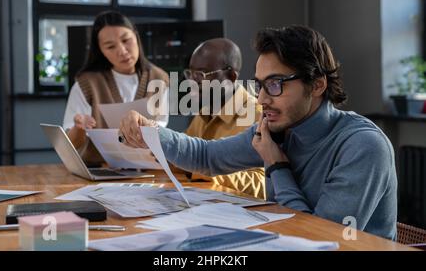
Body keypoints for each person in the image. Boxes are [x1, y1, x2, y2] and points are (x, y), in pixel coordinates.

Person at [118, 25, 398, 240]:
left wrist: (277, 165)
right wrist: (152, 130)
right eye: (261, 85)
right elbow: (207, 156)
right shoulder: (277, 129)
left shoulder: (363, 145)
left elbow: (320, 236)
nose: (263, 99)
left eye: (275, 84)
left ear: (317, 85)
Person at [63, 11, 169, 164]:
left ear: (136, 37)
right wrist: (79, 127)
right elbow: (70, 144)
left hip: (147, 170)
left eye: (126, 40)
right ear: (100, 50)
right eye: (110, 46)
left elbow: (161, 131)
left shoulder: (159, 79)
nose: (122, 51)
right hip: (99, 170)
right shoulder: (86, 83)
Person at [183, 38, 265, 199]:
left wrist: (204, 169)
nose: (192, 81)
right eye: (190, 73)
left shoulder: (257, 115)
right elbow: (187, 159)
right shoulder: (205, 112)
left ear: (231, 76)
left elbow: (264, 183)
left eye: (201, 74)